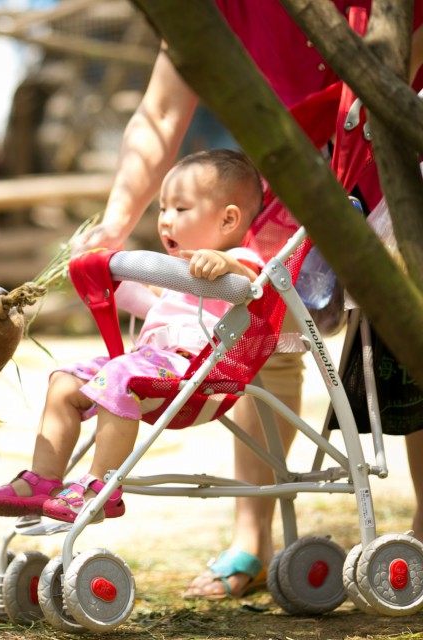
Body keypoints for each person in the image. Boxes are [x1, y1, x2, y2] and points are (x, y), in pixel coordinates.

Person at [68, 0, 423, 600]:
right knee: (266, 339)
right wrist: (116, 221)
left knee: (408, 340)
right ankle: (252, 540)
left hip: (393, 170)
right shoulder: (215, 5)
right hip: (285, 183)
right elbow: (159, 111)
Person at [0, 148, 265, 527]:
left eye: (180, 210)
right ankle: (43, 479)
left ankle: (100, 486)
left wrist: (227, 264)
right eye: (162, 209)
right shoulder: (181, 276)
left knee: (120, 375)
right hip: (152, 367)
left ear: (229, 219)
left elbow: (253, 284)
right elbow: (151, 308)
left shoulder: (238, 260)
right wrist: (103, 274)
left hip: (200, 377)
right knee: (64, 382)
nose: (165, 221)